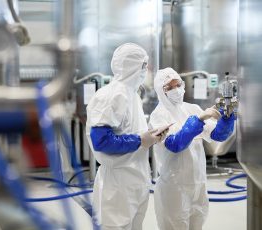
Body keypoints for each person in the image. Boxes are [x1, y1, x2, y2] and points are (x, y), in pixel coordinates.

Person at [86, 43, 168, 230]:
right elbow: (101, 141)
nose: (146, 70)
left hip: (137, 177)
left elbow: (130, 132)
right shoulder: (111, 95)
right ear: (132, 66)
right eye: (143, 65)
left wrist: (152, 136)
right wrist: (140, 140)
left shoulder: (133, 95)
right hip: (118, 183)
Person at [149, 67, 235, 230]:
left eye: (178, 84)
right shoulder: (159, 115)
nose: (176, 89)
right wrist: (200, 119)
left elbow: (217, 135)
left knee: (197, 224)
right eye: (169, 87)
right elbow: (175, 144)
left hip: (197, 184)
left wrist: (227, 118)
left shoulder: (192, 108)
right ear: (161, 91)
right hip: (174, 187)